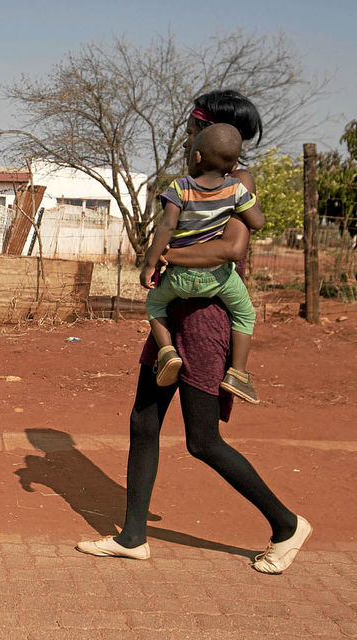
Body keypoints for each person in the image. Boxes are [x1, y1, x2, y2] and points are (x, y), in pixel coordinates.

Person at [77, 90, 311, 574]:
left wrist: (167, 257)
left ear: (213, 132)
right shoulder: (189, 183)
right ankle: (133, 536)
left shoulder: (237, 182)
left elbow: (230, 247)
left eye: (195, 123)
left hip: (206, 317)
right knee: (143, 421)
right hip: (175, 309)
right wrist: (156, 258)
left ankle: (286, 525)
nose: (187, 130)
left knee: (202, 441)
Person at [142, 123, 263, 404]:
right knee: (245, 314)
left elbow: (167, 226)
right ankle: (239, 373)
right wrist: (249, 204)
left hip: (179, 278)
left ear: (196, 157)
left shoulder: (180, 188)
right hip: (217, 279)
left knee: (155, 304)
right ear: (233, 164)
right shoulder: (235, 188)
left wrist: (150, 263)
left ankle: (168, 352)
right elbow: (257, 221)